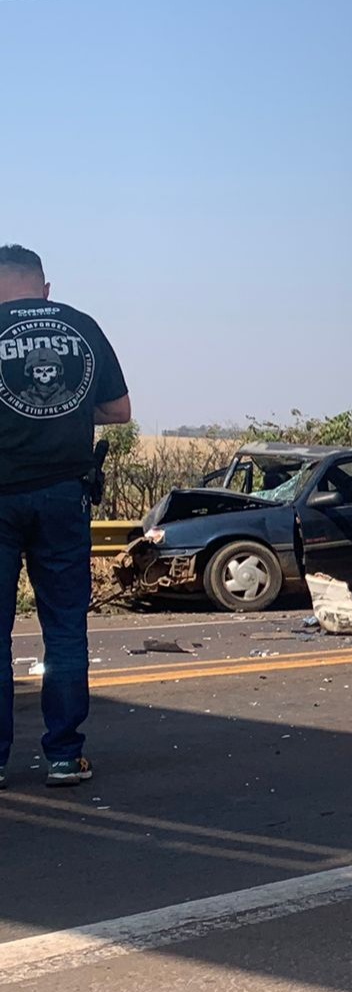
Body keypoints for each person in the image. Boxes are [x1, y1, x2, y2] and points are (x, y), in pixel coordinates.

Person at [0, 245, 131, 789]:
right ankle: (63, 755)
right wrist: (71, 413)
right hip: (64, 498)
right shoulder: (81, 326)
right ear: (44, 287)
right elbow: (120, 412)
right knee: (64, 632)